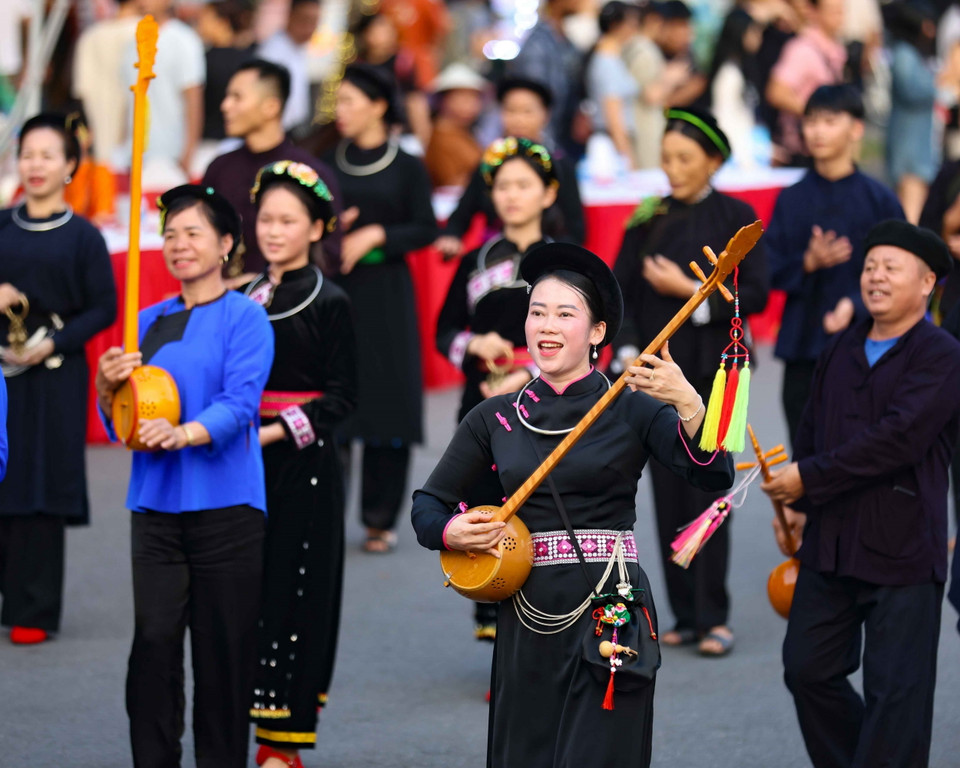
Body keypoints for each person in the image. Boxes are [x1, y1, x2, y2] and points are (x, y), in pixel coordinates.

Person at [412, 242, 735, 767]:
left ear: (598, 333)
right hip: (525, 612)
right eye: (537, 312)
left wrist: (689, 402)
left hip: (610, 611)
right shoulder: (494, 417)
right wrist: (451, 532)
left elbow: (714, 474)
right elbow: (429, 506)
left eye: (566, 314)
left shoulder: (632, 408)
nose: (547, 325)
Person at [762, 219, 960, 768]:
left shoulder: (941, 355)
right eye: (870, 266)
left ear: (926, 284)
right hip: (830, 541)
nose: (875, 277)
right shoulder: (843, 345)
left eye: (890, 268)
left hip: (903, 549)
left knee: (897, 696)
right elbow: (811, 426)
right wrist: (798, 506)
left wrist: (810, 479)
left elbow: (897, 439)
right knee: (807, 670)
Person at [95, 185, 274, 768]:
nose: (178, 244)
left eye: (193, 232)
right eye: (170, 234)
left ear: (226, 244)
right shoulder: (145, 322)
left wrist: (185, 433)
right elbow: (121, 416)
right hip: (154, 507)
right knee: (153, 645)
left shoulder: (247, 318)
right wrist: (105, 387)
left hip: (227, 507)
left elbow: (240, 404)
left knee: (223, 656)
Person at [611, 106, 768, 656]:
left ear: (714, 161)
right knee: (665, 489)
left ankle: (714, 615)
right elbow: (620, 290)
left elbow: (760, 294)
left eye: (685, 159)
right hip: (655, 374)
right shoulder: (647, 216)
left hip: (710, 374)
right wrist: (628, 351)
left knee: (709, 486)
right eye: (667, 159)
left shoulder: (737, 216)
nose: (673, 169)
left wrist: (687, 289)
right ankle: (681, 612)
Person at [244, 162, 357, 767]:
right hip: (236, 459)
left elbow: (345, 397)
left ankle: (282, 744)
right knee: (243, 589)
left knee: (296, 590)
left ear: (317, 227)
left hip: (303, 466)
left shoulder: (330, 300)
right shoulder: (240, 295)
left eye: (288, 220)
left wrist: (273, 432)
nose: (274, 231)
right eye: (266, 219)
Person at [0, 113, 117, 646]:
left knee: (42, 482)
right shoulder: (3, 225)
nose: (36, 165)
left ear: (71, 166)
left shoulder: (84, 237)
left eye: (48, 155)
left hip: (54, 372)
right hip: (3, 373)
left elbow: (104, 308)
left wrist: (55, 341)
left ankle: (35, 606)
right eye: (28, 154)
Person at [435, 137, 558, 639]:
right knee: (482, 499)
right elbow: (445, 332)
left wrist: (529, 371)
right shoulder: (476, 262)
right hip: (482, 404)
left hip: (547, 402)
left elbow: (595, 342)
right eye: (502, 186)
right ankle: (488, 605)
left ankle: (545, 614)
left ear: (548, 194)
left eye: (524, 185)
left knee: (540, 505)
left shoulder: (564, 262)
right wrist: (474, 342)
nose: (511, 196)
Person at [325, 63, 437, 552]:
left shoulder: (407, 164)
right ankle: (325, 508)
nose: (341, 111)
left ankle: (379, 517)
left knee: (387, 403)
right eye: (339, 101)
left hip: (387, 293)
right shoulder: (327, 161)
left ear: (378, 106)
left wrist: (378, 234)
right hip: (336, 292)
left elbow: (425, 227)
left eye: (350, 101)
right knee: (335, 397)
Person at [767, 85, 903, 445]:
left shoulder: (879, 200)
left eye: (829, 121)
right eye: (810, 122)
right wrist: (808, 262)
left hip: (869, 348)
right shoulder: (791, 199)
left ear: (856, 128)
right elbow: (767, 270)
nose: (817, 131)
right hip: (803, 349)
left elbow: (904, 272)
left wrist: (855, 305)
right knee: (805, 454)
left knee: (861, 455)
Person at [203, 58, 342, 281]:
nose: (225, 105)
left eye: (237, 97)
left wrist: (262, 286)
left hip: (290, 307)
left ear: (271, 107)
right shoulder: (220, 168)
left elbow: (329, 255)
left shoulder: (308, 173)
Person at [435, 77, 585, 258]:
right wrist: (452, 236)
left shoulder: (559, 165)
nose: (518, 120)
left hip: (545, 258)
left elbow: (576, 229)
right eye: (511, 110)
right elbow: (462, 213)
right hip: (496, 258)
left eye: (527, 111)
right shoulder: (490, 162)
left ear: (545, 114)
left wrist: (554, 259)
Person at [122, 0, 205, 178]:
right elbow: (128, 100)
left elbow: (193, 98)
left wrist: (188, 153)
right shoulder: (132, 43)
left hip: (171, 156)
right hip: (134, 156)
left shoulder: (184, 40)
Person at [765, 0, 847, 165]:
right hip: (803, 150)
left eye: (841, 11)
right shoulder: (801, 50)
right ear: (815, 12)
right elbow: (776, 92)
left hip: (825, 149)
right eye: (833, 11)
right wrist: (816, 116)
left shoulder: (835, 48)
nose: (840, 17)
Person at [884, 0, 940, 224]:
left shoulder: (911, 54)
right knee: (910, 217)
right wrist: (941, 85)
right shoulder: (904, 54)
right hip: (909, 149)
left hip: (916, 146)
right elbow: (912, 91)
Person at [507, 0, 583, 155]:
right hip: (546, 143)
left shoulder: (563, 38)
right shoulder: (538, 43)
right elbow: (534, 101)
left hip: (565, 137)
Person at [71, 0, 139, 166]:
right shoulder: (148, 32)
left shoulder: (90, 36)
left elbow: (81, 92)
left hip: (103, 146)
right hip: (144, 145)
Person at [585, 1, 641, 170]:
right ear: (616, 25)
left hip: (614, 141)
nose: (635, 29)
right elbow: (613, 113)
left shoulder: (613, 58)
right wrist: (627, 157)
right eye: (631, 23)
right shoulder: (606, 62)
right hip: (611, 145)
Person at [258, 0, 320, 131]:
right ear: (290, 15)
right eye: (305, 20)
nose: (309, 27)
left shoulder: (300, 49)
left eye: (314, 22)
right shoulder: (272, 53)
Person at [424, 63, 487, 188]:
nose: (472, 105)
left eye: (475, 98)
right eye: (464, 98)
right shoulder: (441, 138)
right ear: (443, 101)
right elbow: (451, 184)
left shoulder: (466, 132)